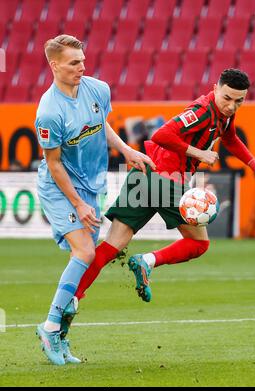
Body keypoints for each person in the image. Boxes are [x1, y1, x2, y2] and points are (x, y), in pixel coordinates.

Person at [61, 68, 255, 359]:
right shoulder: (202, 110)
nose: (231, 105)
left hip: (144, 177)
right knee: (199, 244)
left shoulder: (223, 114)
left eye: (239, 101)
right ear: (215, 88)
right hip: (166, 178)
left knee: (111, 247)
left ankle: (69, 301)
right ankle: (147, 261)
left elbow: (231, 138)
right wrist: (198, 153)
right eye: (227, 98)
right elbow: (162, 134)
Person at [34, 34, 155, 366]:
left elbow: (101, 125)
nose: (81, 67)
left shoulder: (98, 88)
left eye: (83, 60)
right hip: (61, 188)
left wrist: (127, 150)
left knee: (85, 259)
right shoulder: (48, 112)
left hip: (92, 186)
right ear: (54, 65)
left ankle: (59, 334)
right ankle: (49, 327)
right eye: (74, 63)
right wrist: (78, 204)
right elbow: (55, 163)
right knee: (85, 251)